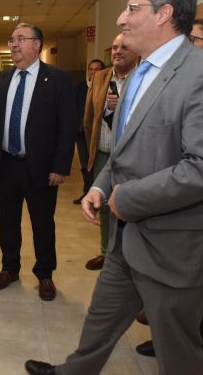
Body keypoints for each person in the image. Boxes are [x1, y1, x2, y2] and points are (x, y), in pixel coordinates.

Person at [25, 0, 203, 375]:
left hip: (179, 247)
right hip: (128, 240)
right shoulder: (138, 72)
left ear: (164, 14)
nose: (122, 18)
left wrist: (125, 198)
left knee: (177, 351)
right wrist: (101, 186)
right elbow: (123, 149)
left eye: (131, 9)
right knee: (100, 321)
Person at [135, 16, 203, 359]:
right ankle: (165, 338)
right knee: (167, 275)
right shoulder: (181, 81)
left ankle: (197, 351)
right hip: (172, 189)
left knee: (197, 281)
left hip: (202, 195)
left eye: (193, 40)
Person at [0, 23, 76, 301]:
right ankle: (10, 268)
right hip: (6, 164)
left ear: (37, 45)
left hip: (41, 168)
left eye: (20, 39)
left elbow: (67, 126)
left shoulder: (57, 79)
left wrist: (60, 166)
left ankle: (45, 273)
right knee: (7, 221)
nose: (14, 44)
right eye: (12, 40)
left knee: (42, 222)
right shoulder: (0, 78)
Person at [82, 34, 138, 270]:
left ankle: (129, 259)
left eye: (124, 47)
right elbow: (89, 117)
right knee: (102, 206)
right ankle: (106, 253)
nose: (118, 51)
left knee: (128, 208)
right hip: (103, 153)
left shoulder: (143, 78)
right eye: (114, 47)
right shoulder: (101, 78)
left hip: (132, 158)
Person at [72, 59, 104, 205]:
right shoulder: (79, 87)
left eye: (97, 69)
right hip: (82, 133)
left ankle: (100, 193)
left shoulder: (108, 87)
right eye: (91, 69)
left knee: (100, 164)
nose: (94, 72)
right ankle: (87, 193)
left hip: (101, 134)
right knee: (86, 165)